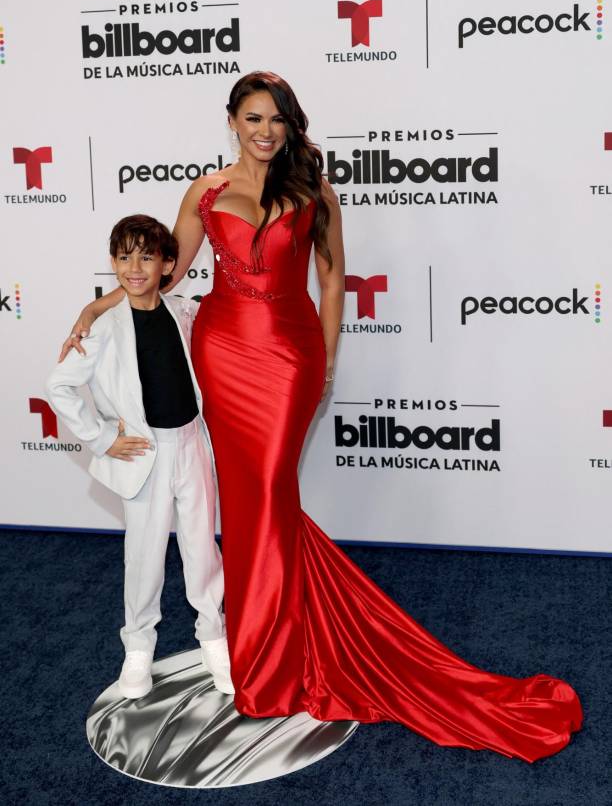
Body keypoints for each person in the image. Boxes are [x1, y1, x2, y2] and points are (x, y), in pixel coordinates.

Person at [60, 73, 582, 762]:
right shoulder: (206, 192)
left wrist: (326, 360)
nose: (264, 131)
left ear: (290, 125)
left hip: (287, 358)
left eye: (276, 119)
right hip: (220, 353)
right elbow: (167, 272)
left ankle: (275, 657)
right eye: (252, 117)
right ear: (231, 120)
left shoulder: (314, 192)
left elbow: (332, 280)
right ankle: (259, 648)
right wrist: (98, 307)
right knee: (247, 506)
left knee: (270, 493)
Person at [48, 215, 233, 699]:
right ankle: (137, 652)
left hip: (192, 445)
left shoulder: (185, 312)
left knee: (202, 550)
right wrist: (101, 437)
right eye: (124, 257)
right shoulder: (102, 328)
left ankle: (214, 637)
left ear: (169, 264)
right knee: (144, 559)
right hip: (142, 456)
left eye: (147, 256)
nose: (135, 267)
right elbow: (60, 386)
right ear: (112, 263)